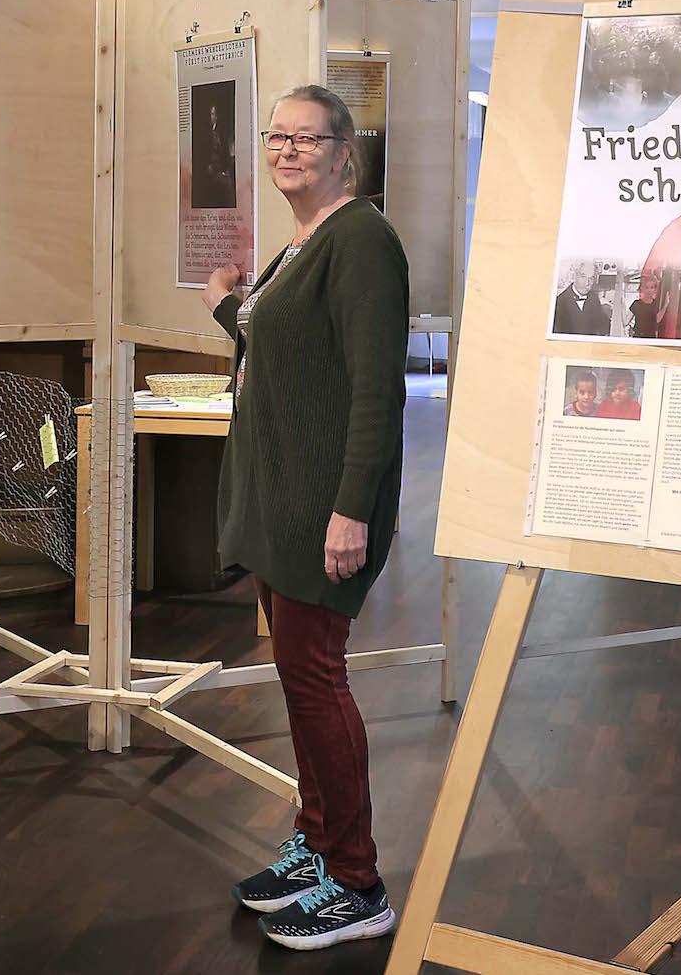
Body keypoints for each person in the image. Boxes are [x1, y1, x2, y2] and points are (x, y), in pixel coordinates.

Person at [201, 83, 408, 951]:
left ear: (342, 150)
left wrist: (351, 511)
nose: (287, 150)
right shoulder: (302, 242)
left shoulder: (362, 240)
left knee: (316, 677)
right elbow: (289, 350)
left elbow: (373, 389)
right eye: (276, 136)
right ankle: (318, 844)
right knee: (298, 677)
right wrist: (228, 308)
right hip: (280, 500)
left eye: (306, 137)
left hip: (323, 508)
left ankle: (358, 878)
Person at [552, 261, 611, 336]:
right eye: (583, 276)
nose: (587, 283)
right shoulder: (558, 304)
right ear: (574, 276)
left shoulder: (593, 297)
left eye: (591, 278)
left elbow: (605, 325)